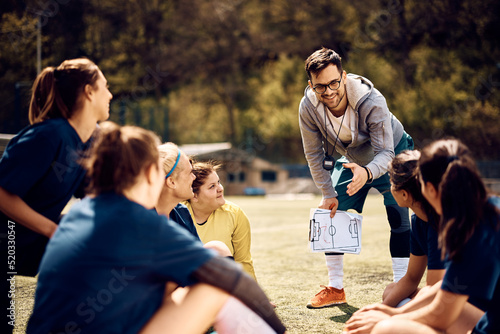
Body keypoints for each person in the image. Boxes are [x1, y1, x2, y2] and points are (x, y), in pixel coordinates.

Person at [27, 122, 286, 334]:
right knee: (215, 288)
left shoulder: (80, 212)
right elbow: (230, 277)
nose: (195, 177)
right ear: (153, 175)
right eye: (189, 173)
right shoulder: (144, 223)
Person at [0, 58, 111, 333]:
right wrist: (52, 229)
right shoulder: (49, 136)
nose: (110, 95)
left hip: (26, 243)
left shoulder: (89, 139)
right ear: (88, 91)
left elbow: (93, 196)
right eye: (105, 87)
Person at [299, 47, 413, 308]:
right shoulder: (308, 106)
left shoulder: (371, 99)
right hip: (354, 159)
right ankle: (336, 288)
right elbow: (313, 154)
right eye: (320, 86)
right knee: (333, 212)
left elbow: (386, 152)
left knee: (398, 214)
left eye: (333, 83)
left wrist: (369, 172)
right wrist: (328, 193)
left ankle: (402, 289)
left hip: (394, 152)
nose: (328, 91)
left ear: (344, 76)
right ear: (311, 85)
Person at [344, 138, 496, 334]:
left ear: (430, 189)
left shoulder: (469, 230)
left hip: (480, 319)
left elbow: (441, 314)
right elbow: (445, 286)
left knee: (387, 330)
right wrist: (386, 311)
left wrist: (389, 318)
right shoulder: (485, 211)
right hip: (481, 317)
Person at [382, 150, 445, 307]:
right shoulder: (418, 221)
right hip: (444, 294)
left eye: (392, 183)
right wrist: (383, 309)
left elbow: (436, 292)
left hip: (469, 301)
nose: (390, 187)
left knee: (422, 298)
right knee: (390, 290)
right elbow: (411, 278)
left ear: (404, 194)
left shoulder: (441, 222)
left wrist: (389, 315)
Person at [183, 161, 257, 280]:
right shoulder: (178, 214)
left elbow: (243, 262)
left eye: (218, 182)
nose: (220, 189)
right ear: (194, 195)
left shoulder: (235, 214)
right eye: (212, 186)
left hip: (221, 282)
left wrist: (253, 296)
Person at [156, 142, 232, 256]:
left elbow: (195, 256)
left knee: (217, 248)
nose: (194, 177)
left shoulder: (181, 212)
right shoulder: (138, 219)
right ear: (171, 182)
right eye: (189, 172)